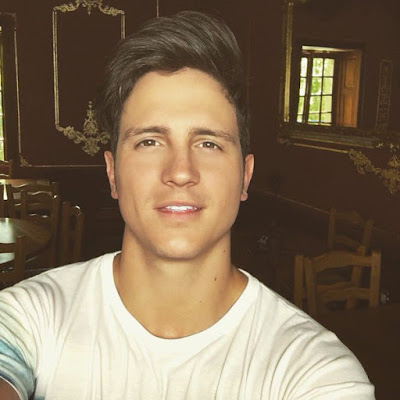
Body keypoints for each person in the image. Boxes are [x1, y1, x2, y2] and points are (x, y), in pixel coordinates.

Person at [0, 11, 374, 400]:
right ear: (112, 174)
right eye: (149, 141)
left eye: (208, 143)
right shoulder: (29, 317)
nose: (180, 172)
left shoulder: (313, 371)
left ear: (245, 177)